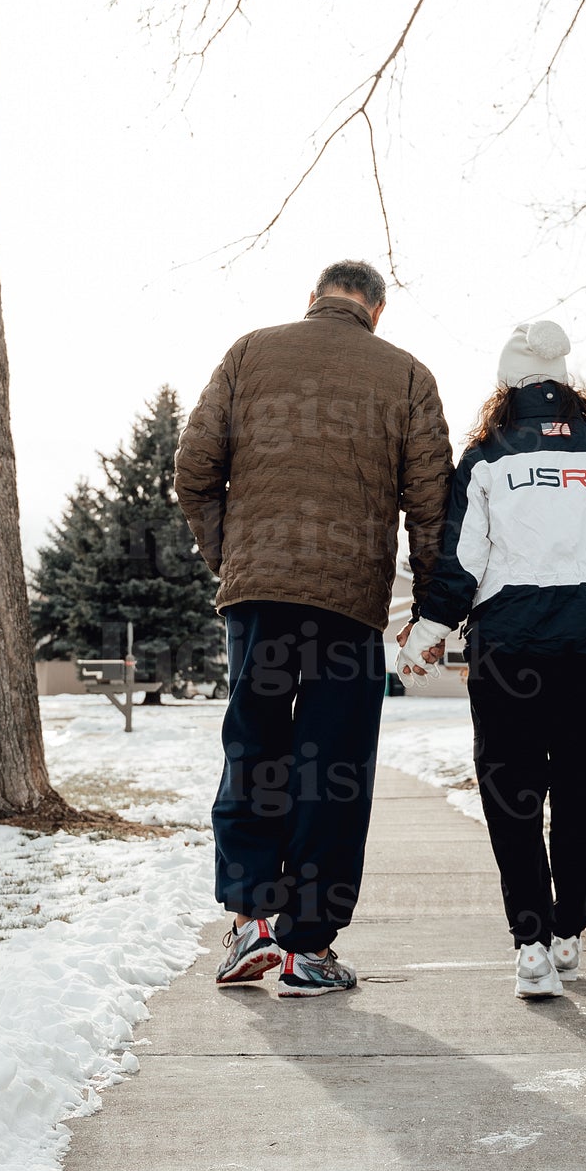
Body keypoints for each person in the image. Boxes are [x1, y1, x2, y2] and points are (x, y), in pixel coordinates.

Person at [175, 260, 452, 997]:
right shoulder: (408, 376)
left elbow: (194, 471)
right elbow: (431, 509)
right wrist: (430, 610)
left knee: (255, 748)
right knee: (333, 770)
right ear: (377, 311)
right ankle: (306, 950)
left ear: (313, 299)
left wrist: (231, 560)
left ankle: (249, 924)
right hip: (349, 604)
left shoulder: (249, 351)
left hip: (258, 599)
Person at [399, 319, 586, 999]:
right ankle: (570, 930)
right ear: (564, 384)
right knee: (584, 790)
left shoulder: (489, 458)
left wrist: (428, 628)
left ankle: (530, 945)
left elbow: (466, 563)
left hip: (510, 644)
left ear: (507, 385)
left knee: (512, 793)